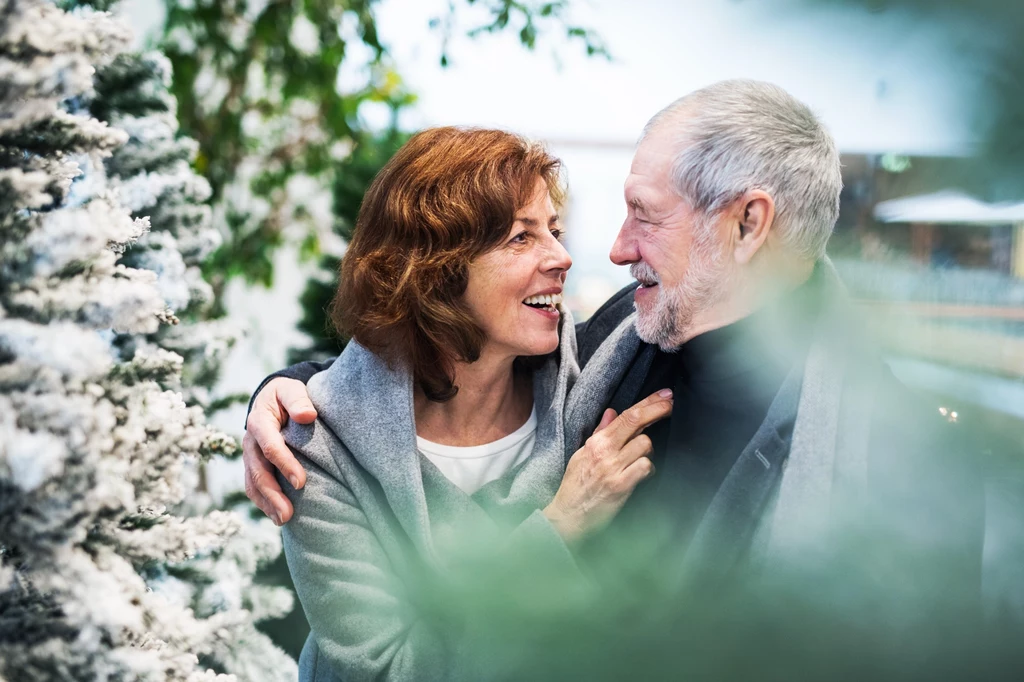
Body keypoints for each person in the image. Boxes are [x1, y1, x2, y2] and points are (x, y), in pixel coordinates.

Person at [246, 80, 984, 625]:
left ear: (748, 225)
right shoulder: (612, 342)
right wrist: (297, 391)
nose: (609, 249)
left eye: (645, 214)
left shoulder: (907, 469)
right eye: (525, 235)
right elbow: (431, 361)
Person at [263, 126, 673, 681]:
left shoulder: (591, 380)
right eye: (521, 239)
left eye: (554, 230)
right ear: (433, 270)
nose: (563, 257)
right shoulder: (319, 451)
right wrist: (558, 528)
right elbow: (388, 670)